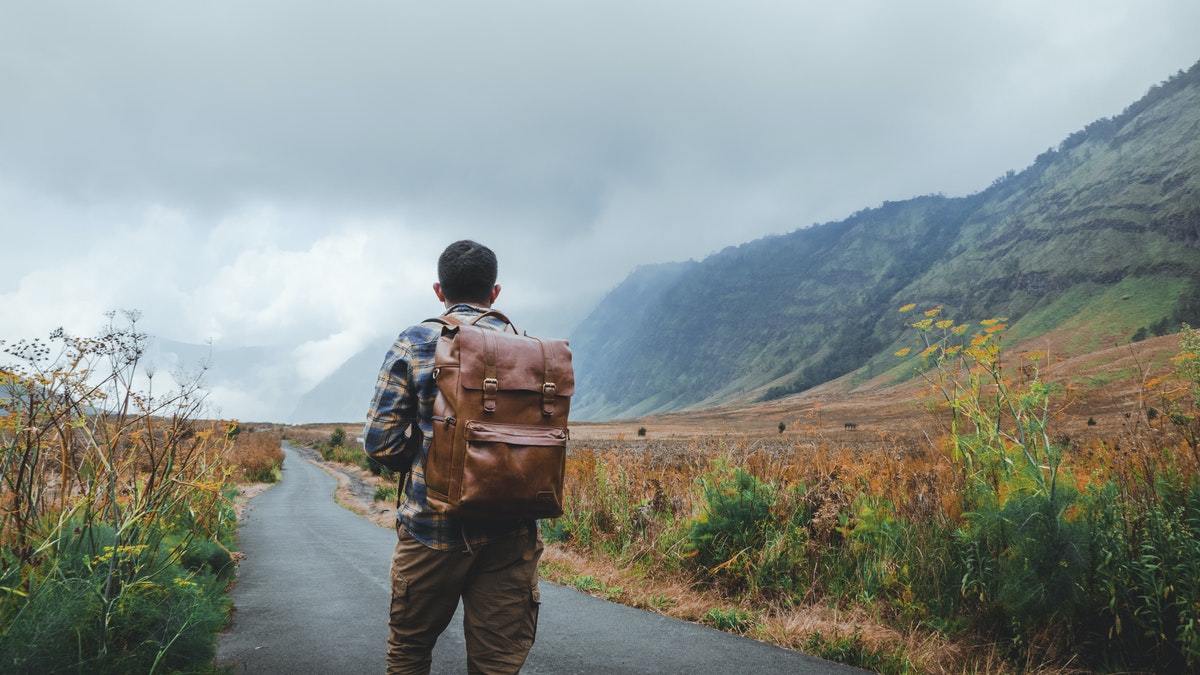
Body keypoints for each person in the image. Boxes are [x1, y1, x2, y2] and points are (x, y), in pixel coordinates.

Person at [363, 240, 543, 675]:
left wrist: (431, 461)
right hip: (510, 529)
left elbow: (379, 441)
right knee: (497, 664)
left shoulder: (416, 341)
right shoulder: (530, 348)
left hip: (432, 526)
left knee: (409, 651)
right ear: (495, 293)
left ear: (438, 290)